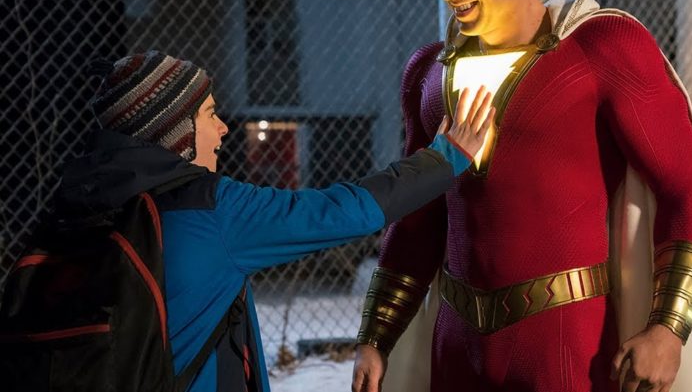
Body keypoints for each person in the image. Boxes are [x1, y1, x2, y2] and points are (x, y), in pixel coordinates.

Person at [352, 0, 692, 392]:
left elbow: (690, 191)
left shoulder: (605, 48)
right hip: (455, 349)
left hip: (569, 350)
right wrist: (376, 336)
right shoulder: (429, 75)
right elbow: (418, 222)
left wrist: (667, 329)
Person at [53, 51, 494, 392]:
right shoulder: (211, 211)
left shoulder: (71, 210)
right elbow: (338, 211)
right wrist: (443, 160)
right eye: (208, 114)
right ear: (175, 129)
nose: (223, 128)